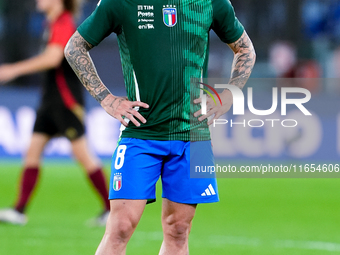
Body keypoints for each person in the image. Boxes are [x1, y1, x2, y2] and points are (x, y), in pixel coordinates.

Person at [65, 0, 255, 253]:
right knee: (120, 226)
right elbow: (74, 47)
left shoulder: (211, 2)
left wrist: (229, 94)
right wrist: (106, 98)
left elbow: (245, 50)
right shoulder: (120, 3)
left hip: (193, 135)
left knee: (178, 230)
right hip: (141, 133)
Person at [0, 0, 110, 226]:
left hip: (65, 101)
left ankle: (111, 209)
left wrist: (13, 69)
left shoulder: (63, 22)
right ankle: (19, 210)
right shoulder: (49, 24)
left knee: (83, 155)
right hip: (49, 101)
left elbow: (53, 59)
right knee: (32, 152)